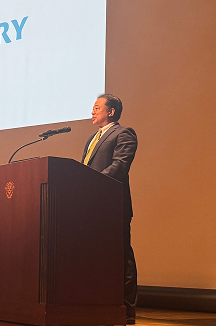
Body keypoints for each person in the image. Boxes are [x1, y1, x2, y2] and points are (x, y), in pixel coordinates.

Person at [82, 93, 138, 324]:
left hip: (114, 206)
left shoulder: (124, 133)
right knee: (94, 257)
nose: (92, 111)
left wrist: (94, 184)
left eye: (97, 107)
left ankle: (126, 311)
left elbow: (120, 166)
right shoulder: (92, 138)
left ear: (111, 111)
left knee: (121, 256)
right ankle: (98, 306)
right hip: (92, 207)